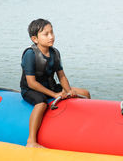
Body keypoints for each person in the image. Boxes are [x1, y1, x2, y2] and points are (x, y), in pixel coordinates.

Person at [20, 18, 90, 148]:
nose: (51, 36)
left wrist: (68, 91)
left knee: (85, 93)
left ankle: (86, 127)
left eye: (52, 32)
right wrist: (54, 94)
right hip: (31, 90)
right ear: (35, 39)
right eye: (46, 34)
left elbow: (61, 76)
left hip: (50, 86)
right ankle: (31, 141)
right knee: (41, 104)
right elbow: (31, 83)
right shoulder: (30, 54)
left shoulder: (55, 53)